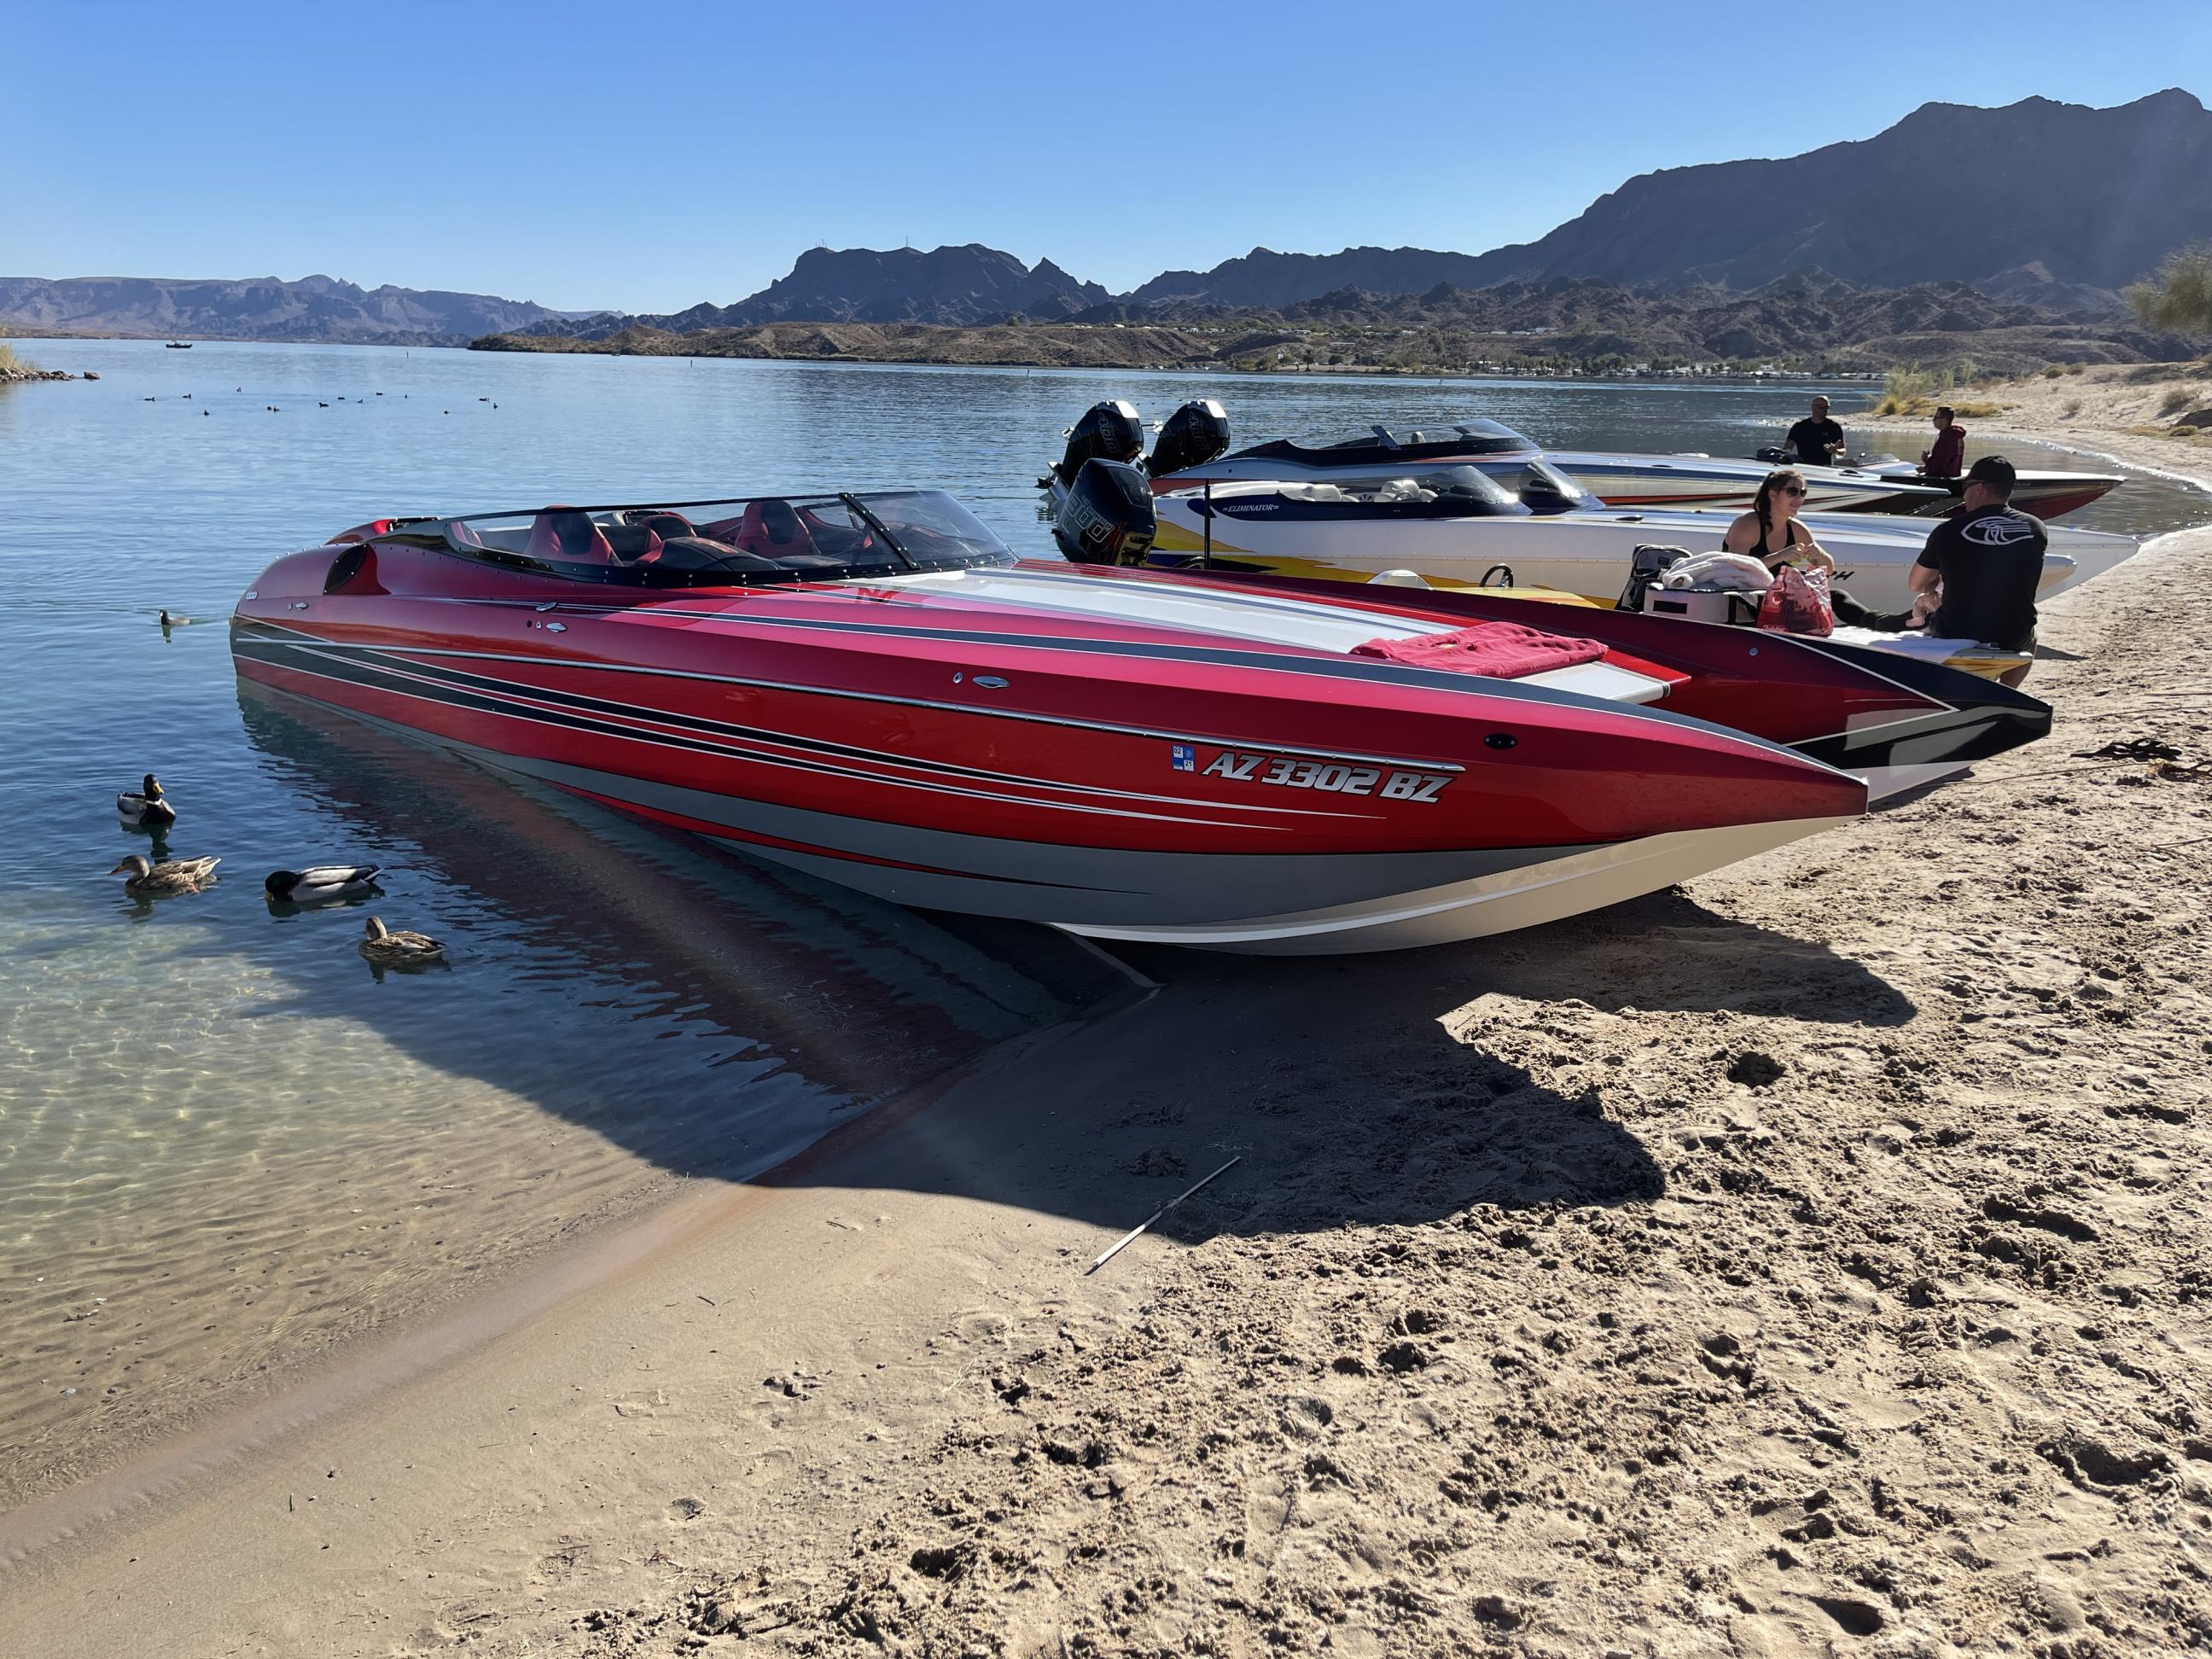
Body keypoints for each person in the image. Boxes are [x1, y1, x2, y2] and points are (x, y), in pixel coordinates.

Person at [1890, 455, 2046, 649]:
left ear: (1979, 488)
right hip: (2014, 636)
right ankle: (2013, 671)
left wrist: (1933, 587)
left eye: (1965, 487)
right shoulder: (2036, 527)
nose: (1964, 496)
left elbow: (1916, 584)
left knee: (1925, 613)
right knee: (2031, 636)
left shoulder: (1949, 530)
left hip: (1955, 632)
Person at [1721, 469, 1889, 626]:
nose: (1799, 499)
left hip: (1778, 597)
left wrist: (1820, 555)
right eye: (1792, 492)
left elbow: (1828, 569)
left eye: (1802, 493)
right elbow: (1736, 568)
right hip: (1747, 597)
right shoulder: (1747, 524)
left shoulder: (1797, 528)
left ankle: (1878, 622)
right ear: (1773, 494)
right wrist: (1780, 556)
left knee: (1836, 596)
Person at [1784, 396, 1846, 468]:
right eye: (1822, 407)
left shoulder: (1834, 427)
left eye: (1827, 407)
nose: (1825, 410)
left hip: (1825, 468)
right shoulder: (1800, 426)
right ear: (1813, 408)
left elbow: (1842, 452)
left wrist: (1835, 451)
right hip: (1802, 467)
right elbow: (1787, 449)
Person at [1921, 405, 1966, 480]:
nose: (1933, 420)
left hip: (1942, 479)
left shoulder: (1947, 436)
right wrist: (1926, 468)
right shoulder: (1956, 435)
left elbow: (1939, 464)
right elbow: (1947, 461)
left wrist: (1926, 459)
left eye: (1936, 417)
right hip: (1953, 476)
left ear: (1944, 420)